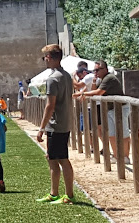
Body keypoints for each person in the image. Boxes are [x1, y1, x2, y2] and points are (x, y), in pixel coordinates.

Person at [36, 44, 75, 204]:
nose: (44, 60)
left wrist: (41, 128)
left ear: (50, 57)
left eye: (45, 57)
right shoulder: (66, 75)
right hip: (64, 122)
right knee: (53, 158)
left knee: (61, 160)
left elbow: (50, 105)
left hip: (56, 124)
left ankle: (69, 195)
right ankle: (55, 193)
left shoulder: (53, 79)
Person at [74, 60, 131, 164]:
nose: (95, 72)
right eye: (94, 70)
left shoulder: (109, 78)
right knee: (112, 134)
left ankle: (125, 157)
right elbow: (94, 90)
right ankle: (116, 156)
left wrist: (84, 94)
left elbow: (98, 93)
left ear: (105, 69)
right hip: (110, 108)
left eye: (97, 70)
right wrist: (94, 81)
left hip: (120, 108)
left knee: (123, 133)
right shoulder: (101, 79)